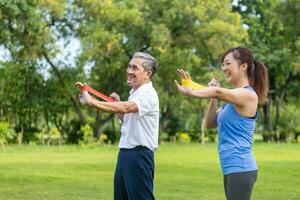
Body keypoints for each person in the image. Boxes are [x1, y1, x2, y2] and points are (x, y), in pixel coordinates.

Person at [175, 47, 268, 200]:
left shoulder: (248, 95)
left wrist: (191, 90)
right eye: (223, 64)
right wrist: (212, 97)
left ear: (243, 66)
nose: (224, 68)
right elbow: (210, 123)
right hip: (231, 167)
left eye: (228, 63)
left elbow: (218, 92)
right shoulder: (231, 102)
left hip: (241, 166)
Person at [76, 52, 159, 200]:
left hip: (139, 155)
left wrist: (93, 102)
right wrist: (115, 104)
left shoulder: (148, 94)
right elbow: (127, 118)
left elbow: (127, 108)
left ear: (147, 73)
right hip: (126, 154)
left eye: (134, 68)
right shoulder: (135, 93)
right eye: (129, 67)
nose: (129, 71)